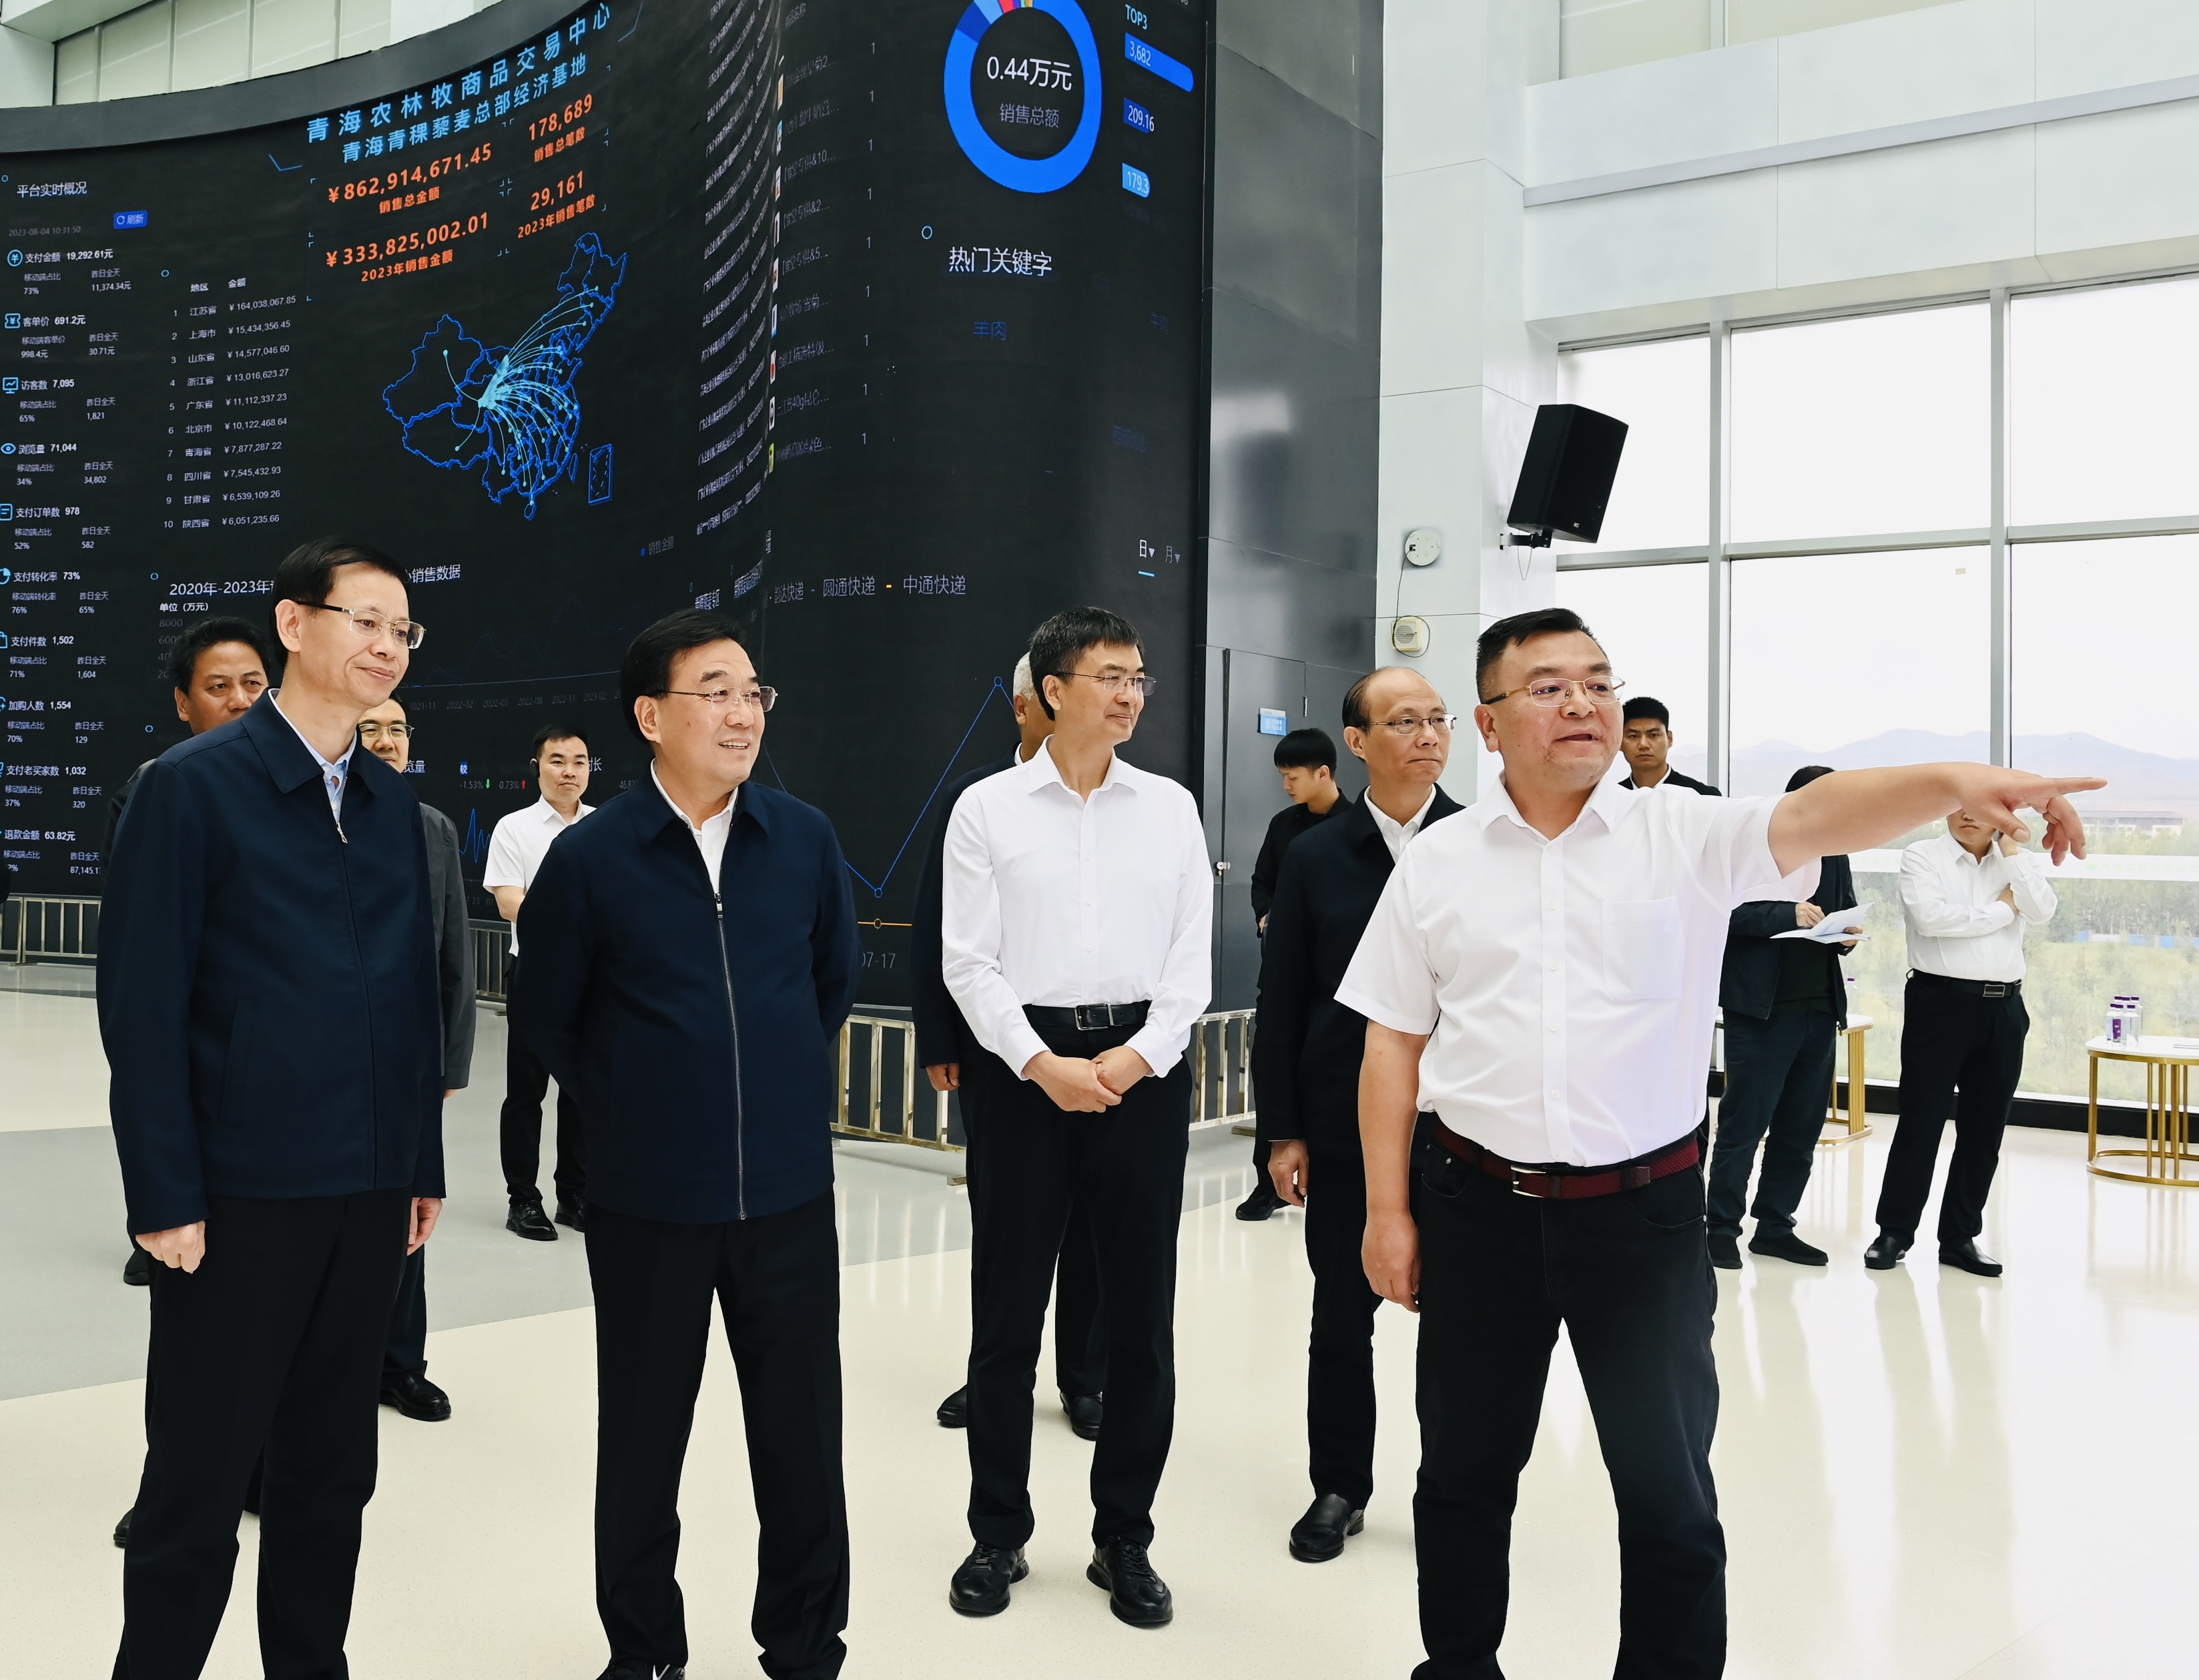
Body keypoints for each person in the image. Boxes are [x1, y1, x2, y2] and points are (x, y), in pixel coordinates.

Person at [1340, 605, 2096, 1679]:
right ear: (1490, 720)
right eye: (1548, 685)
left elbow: (1821, 811)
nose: (1581, 702)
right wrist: (1385, 1211)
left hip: (1641, 1219)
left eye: (1597, 681)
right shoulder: (1437, 861)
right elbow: (1391, 1041)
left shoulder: (1683, 834)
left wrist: (1956, 783)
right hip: (1474, 1208)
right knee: (1461, 1477)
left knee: (1667, 1494)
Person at [98, 536, 446, 1680]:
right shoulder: (191, 788)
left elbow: (411, 1002)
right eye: (365, 620)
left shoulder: (394, 806)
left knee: (331, 1476)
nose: (388, 646)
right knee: (197, 1482)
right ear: (294, 624)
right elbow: (142, 1004)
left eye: (403, 629)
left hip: (366, 1194)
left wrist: (420, 1165)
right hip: (238, 1196)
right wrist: (164, 1191)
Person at [510, 611, 860, 1680]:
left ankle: (803, 1644)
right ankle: (645, 1650)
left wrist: (771, 1097)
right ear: (651, 716)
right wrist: (638, 1105)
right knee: (642, 1435)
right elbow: (549, 1015)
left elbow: (828, 983)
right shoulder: (590, 858)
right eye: (715, 691)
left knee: (801, 1438)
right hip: (648, 1200)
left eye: (753, 692)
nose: (742, 712)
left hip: (787, 1195)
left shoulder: (802, 839)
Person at [940, 606, 1211, 1627]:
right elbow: (968, 961)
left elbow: (1190, 961)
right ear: (1052, 691)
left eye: (1137, 676)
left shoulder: (1169, 808)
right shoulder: (986, 809)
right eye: (1110, 675)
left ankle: (1123, 1537)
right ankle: (996, 1533)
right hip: (1024, 1072)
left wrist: (1140, 1055)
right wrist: (1038, 1062)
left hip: (1143, 1067)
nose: (1130, 693)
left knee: (1140, 1321)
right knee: (1005, 1318)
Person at [1253, 669, 1461, 1564]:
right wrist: (1282, 1130)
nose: (1427, 735)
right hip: (1343, 1127)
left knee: (1460, 1329)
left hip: (1461, 1134)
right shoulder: (1314, 857)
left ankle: (1452, 1492)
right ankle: (1338, 1485)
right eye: (1403, 721)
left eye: (1437, 719)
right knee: (1340, 1320)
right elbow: (1281, 1001)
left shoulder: (1481, 843)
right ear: (1358, 741)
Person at [916, 655, 1107, 1440]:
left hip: (1100, 1050)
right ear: (1030, 706)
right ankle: (996, 1375)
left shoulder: (1123, 800)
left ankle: (1086, 1378)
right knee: (1006, 1226)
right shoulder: (977, 800)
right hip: (997, 1047)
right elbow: (939, 925)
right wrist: (939, 1035)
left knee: (1092, 1223)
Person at [110, 616, 275, 1290]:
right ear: (183, 703)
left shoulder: (307, 786)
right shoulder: (159, 787)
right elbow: (144, 970)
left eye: (253, 684)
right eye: (218, 686)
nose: (240, 700)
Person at [1867, 808, 2058, 1278]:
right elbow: (1933, 920)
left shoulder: (2015, 861)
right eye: (1960, 803)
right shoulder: (1922, 856)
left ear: (2002, 815)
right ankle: (1893, 1232)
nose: (1969, 814)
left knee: (1984, 1129)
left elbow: (2043, 910)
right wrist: (2003, 909)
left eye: (1982, 806)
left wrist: (2012, 852)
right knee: (1921, 1121)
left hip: (2004, 1008)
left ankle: (1958, 1238)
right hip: (1940, 1004)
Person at [357, 695, 477, 1419]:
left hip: (409, 1060)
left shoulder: (432, 828)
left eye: (397, 729)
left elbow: (453, 950)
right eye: (370, 727)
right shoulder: (317, 819)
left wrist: (450, 1063)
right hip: (334, 1054)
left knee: (409, 1212)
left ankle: (399, 1365)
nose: (386, 740)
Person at [1707, 764, 1861, 1271]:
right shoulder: (1753, 849)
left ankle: (1775, 1226)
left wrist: (1846, 934)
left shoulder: (1836, 851)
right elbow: (1719, 913)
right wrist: (1785, 913)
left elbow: (1843, 907)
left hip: (1819, 1007)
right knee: (1744, 1124)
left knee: (1800, 1128)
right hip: (1762, 1009)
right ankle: (1720, 1228)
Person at [483, 722, 595, 1240]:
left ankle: (574, 1194)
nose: (569, 771)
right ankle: (523, 1200)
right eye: (557, 760)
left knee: (582, 1091)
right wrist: (581, 921)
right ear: (537, 768)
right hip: (536, 973)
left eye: (579, 761)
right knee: (526, 1093)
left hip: (593, 978)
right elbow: (510, 902)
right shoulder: (514, 828)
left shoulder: (604, 826)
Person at [1236, 726, 1345, 1223]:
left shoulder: (1354, 826)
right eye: (1282, 776)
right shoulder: (1283, 825)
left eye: (1293, 776)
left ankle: (1331, 1179)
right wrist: (1267, 916)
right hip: (1282, 975)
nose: (1286, 786)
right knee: (1273, 1069)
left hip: (1335, 982)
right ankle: (1268, 1185)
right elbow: (1261, 882)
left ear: (1323, 773)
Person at [1619, 695, 1720, 794]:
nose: (1643, 745)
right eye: (1633, 736)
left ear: (1669, 739)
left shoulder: (1703, 796)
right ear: (1619, 742)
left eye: (1653, 735)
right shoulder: (1613, 798)